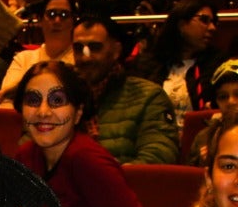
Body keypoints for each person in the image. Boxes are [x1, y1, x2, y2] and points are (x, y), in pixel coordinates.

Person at [14, 61, 153, 207]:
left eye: (57, 100)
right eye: (33, 100)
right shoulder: (25, 157)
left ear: (78, 112)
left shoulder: (87, 160)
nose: (43, 111)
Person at [72, 15, 179, 166]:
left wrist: (110, 174)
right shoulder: (63, 96)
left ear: (116, 51)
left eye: (95, 48)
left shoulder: (149, 97)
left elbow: (159, 155)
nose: (85, 57)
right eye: (78, 49)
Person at [130, 0, 219, 129]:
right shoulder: (147, 63)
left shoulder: (216, 64)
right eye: (204, 20)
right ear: (181, 24)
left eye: (214, 22)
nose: (212, 28)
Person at [0, 0, 76, 101]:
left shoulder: (80, 59)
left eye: (64, 15)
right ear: (40, 20)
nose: (57, 21)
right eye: (51, 14)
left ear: (73, 21)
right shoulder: (23, 59)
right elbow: (5, 96)